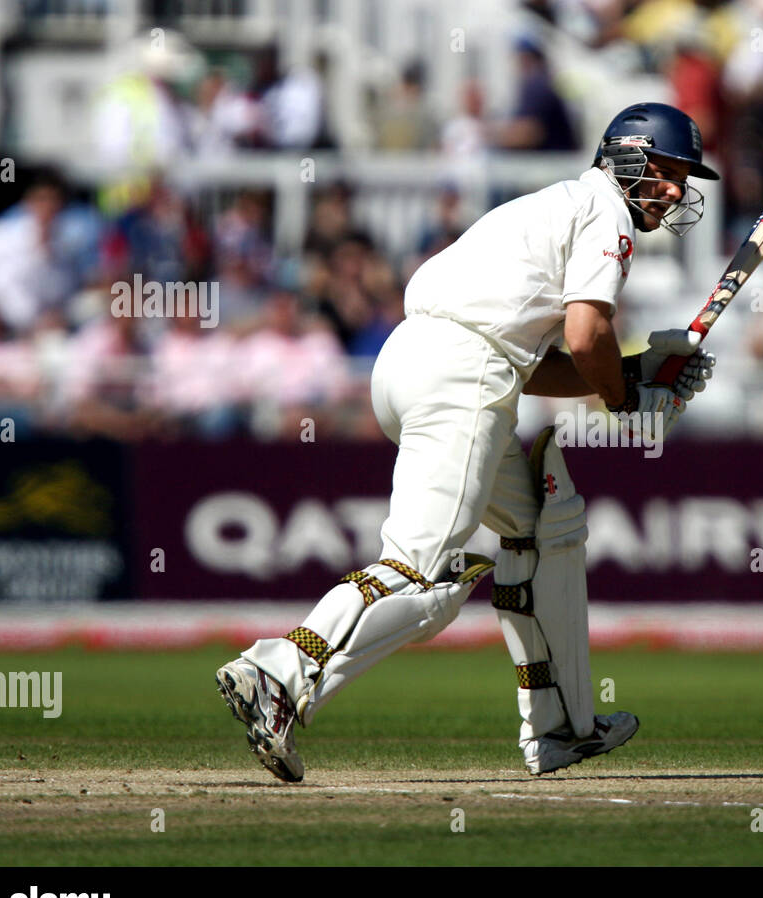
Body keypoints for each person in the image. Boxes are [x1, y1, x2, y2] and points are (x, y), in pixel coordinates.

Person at [214, 103, 719, 781]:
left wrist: (633, 373)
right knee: (423, 578)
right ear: (626, 158)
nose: (675, 191)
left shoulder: (554, 206)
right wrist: (631, 398)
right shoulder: (606, 214)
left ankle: (562, 726)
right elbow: (585, 336)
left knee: (546, 523)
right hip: (464, 373)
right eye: (665, 172)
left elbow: (539, 363)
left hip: (415, 362)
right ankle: (277, 669)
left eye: (684, 180)